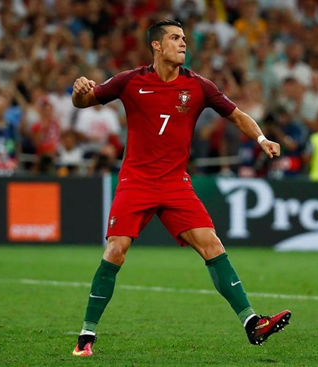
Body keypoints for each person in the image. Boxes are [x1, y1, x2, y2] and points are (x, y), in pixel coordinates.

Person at [70, 20, 290, 357]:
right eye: (175, 38)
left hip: (175, 184)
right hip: (136, 182)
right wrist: (79, 91)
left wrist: (261, 138)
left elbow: (237, 115)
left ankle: (251, 322)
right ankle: (86, 335)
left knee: (212, 245)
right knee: (116, 249)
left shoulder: (199, 86)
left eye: (184, 38)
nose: (183, 43)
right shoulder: (131, 81)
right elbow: (84, 102)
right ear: (156, 46)